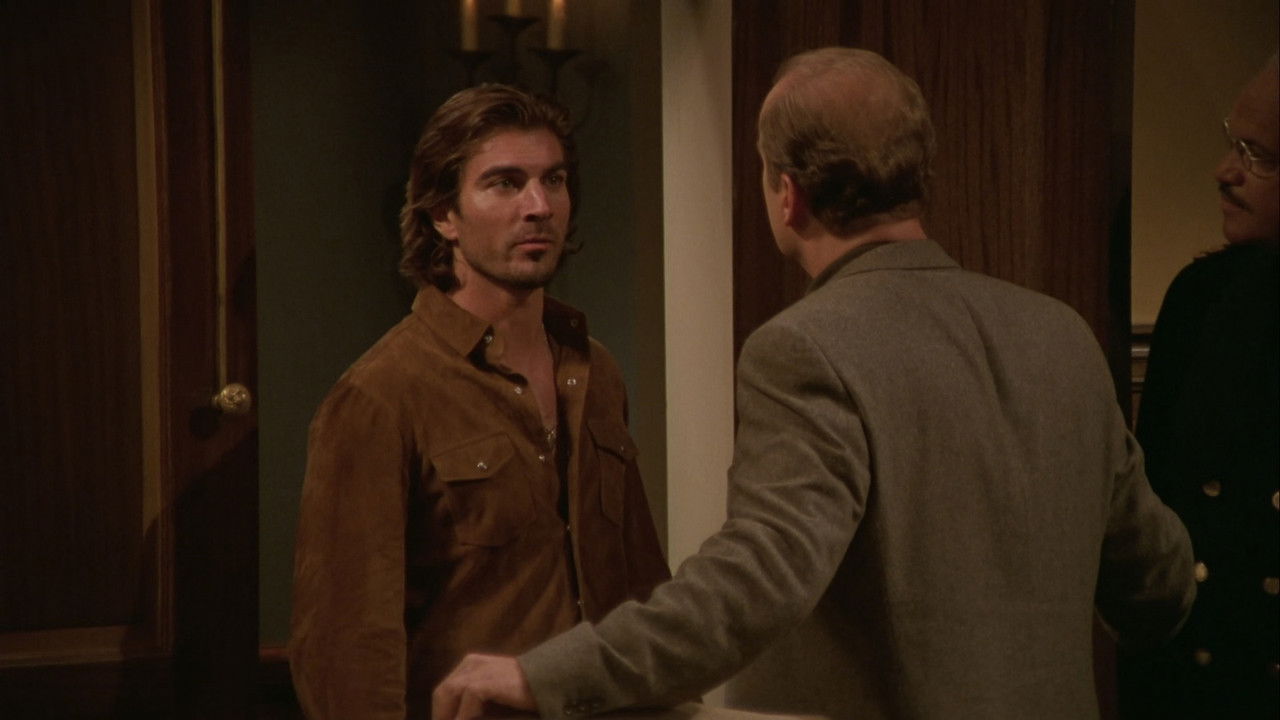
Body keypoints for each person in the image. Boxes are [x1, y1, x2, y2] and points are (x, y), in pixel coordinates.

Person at [432, 47, 1195, 720]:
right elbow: (1161, 583)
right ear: (917, 175)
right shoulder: (1060, 334)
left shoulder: (806, 349)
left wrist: (548, 674)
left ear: (787, 194)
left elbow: (757, 581)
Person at [288, 84, 670, 719]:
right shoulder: (382, 394)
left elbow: (641, 584)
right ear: (445, 215)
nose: (539, 207)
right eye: (505, 183)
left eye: (554, 180)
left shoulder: (593, 370)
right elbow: (345, 647)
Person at [1117, 54, 1279, 718]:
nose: (1225, 171)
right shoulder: (1202, 299)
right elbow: (1159, 500)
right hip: (1200, 678)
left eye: (1260, 157)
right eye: (1234, 144)